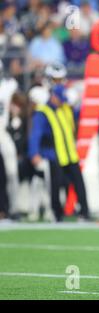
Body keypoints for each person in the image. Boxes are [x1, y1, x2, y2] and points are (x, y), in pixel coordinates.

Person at [28, 84, 90, 222]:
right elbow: (35, 134)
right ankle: (57, 214)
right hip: (54, 155)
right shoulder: (43, 112)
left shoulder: (65, 108)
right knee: (55, 187)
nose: (61, 101)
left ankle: (84, 212)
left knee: (79, 184)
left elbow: (78, 115)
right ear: (53, 96)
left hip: (70, 154)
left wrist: (80, 101)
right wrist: (34, 153)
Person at [0, 59, 19, 218]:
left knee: (12, 171)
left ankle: (13, 207)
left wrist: (15, 115)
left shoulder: (8, 86)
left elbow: (19, 102)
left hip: (3, 132)